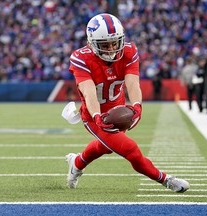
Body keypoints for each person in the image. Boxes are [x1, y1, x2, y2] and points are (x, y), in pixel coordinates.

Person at [63, 13, 189, 192]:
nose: (112, 48)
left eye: (115, 42)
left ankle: (76, 163)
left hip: (118, 108)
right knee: (130, 149)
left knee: (107, 147)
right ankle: (166, 180)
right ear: (91, 43)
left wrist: (136, 106)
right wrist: (97, 116)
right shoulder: (81, 58)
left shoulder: (129, 51)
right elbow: (89, 91)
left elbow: (132, 82)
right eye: (105, 45)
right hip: (93, 115)